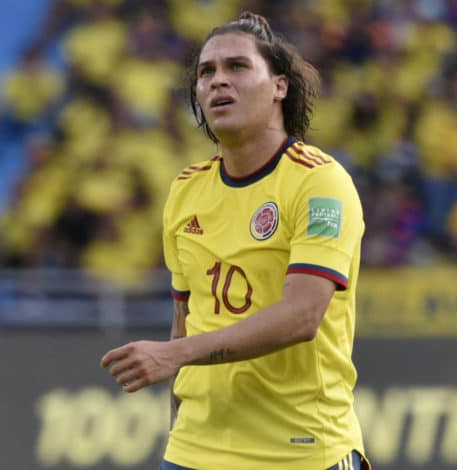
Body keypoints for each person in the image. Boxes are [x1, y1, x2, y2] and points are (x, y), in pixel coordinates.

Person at [101, 11, 369, 470]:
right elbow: (185, 320)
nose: (217, 82)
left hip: (302, 450)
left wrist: (174, 355)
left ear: (279, 86)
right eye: (207, 72)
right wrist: (177, 430)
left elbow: (302, 315)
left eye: (237, 67)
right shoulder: (187, 191)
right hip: (195, 452)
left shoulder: (320, 183)